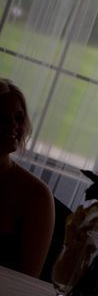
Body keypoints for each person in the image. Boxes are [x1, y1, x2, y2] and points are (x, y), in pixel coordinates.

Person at [0, 78, 55, 277]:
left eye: (19, 117)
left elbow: (27, 278)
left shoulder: (36, 196)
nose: (12, 125)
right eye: (1, 117)